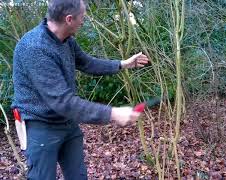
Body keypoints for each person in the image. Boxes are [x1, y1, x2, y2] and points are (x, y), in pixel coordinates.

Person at [11, 0, 149, 179]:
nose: (84, 21)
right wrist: (113, 114)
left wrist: (123, 64)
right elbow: (64, 102)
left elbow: (86, 63)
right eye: (82, 17)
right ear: (69, 19)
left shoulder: (66, 40)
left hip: (67, 123)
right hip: (40, 126)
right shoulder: (35, 48)